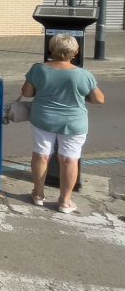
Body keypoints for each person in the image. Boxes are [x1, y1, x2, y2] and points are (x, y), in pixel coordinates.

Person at [21, 34, 105, 213]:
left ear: (51, 49)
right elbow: (99, 99)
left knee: (41, 155)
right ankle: (65, 201)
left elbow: (27, 93)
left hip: (43, 119)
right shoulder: (84, 74)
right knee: (69, 159)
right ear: (75, 52)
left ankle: (38, 193)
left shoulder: (38, 69)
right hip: (74, 122)